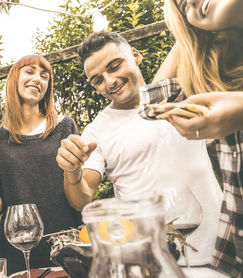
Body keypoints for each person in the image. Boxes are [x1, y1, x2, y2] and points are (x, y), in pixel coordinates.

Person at [55, 31, 224, 268]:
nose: (109, 81)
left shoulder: (181, 94)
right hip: (152, 259)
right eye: (98, 80)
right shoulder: (97, 131)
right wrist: (71, 171)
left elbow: (189, 38)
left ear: (135, 55)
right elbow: (82, 198)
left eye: (114, 66)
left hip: (220, 245)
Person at [138, 0, 243, 275]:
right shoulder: (236, 68)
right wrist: (188, 36)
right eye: (183, 7)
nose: (190, 2)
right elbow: (149, 105)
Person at [0, 54, 81, 274]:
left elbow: (77, 186)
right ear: (14, 79)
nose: (37, 79)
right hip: (16, 252)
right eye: (29, 72)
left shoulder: (65, 127)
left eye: (44, 76)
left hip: (66, 247)